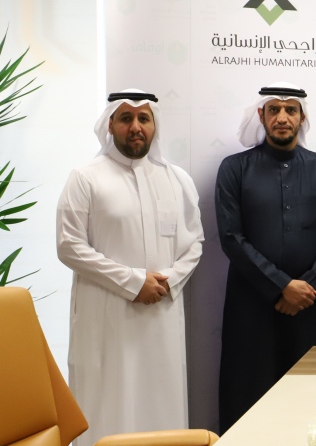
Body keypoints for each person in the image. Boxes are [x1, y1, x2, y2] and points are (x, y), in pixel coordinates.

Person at [56, 90, 204, 445]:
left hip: (161, 318)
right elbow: (69, 246)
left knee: (161, 403)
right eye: (126, 118)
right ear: (110, 125)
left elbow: (194, 242)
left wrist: (167, 282)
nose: (135, 127)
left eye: (143, 118)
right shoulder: (85, 177)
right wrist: (134, 282)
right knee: (107, 405)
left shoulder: (177, 179)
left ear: (155, 125)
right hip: (105, 320)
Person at [216, 83, 316, 431]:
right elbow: (231, 237)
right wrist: (282, 286)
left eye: (291, 110)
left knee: (313, 403)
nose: (282, 118)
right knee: (250, 399)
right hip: (252, 307)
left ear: (302, 117)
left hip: (313, 306)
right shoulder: (234, 169)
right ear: (261, 116)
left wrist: (305, 287)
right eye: (274, 110)